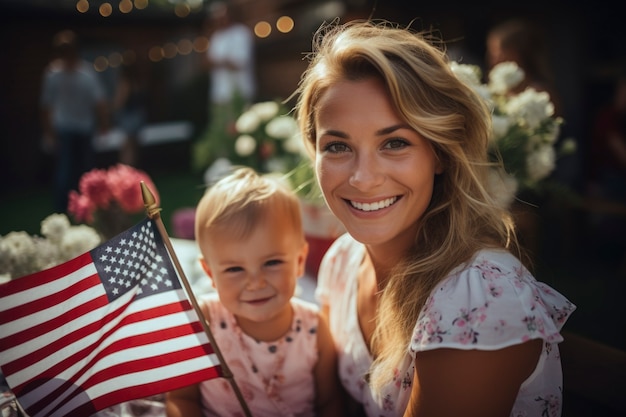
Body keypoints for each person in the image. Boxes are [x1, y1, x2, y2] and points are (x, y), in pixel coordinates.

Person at [293, 20, 576, 417]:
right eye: (338, 146)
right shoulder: (342, 261)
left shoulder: (479, 297)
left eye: (394, 143)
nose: (362, 178)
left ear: (440, 152)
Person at [165, 167, 344, 417]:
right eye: (235, 269)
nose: (255, 282)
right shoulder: (204, 322)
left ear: (299, 261)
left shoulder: (314, 329)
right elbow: (181, 399)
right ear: (210, 274)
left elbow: (329, 404)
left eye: (272, 263)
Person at [40, 29, 109, 213]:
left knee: (85, 172)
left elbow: (99, 103)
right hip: (65, 128)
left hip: (83, 128)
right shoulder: (53, 74)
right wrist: (48, 132)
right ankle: (64, 208)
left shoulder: (86, 74)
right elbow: (46, 106)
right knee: (66, 171)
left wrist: (103, 125)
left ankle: (88, 205)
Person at [192, 1, 256, 172]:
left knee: (239, 133)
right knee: (220, 133)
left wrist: (220, 61)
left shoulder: (241, 33)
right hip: (218, 94)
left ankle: (243, 167)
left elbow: (239, 63)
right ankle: (224, 169)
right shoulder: (216, 37)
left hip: (238, 93)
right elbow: (205, 63)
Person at [485, 18, 562, 115]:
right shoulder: (494, 92)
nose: (491, 59)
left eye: (495, 52)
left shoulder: (541, 95)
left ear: (513, 53)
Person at [112, 60, 148, 167]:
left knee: (127, 147)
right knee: (133, 146)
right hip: (139, 117)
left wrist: (111, 109)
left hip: (129, 118)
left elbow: (119, 102)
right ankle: (131, 169)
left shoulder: (125, 83)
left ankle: (126, 169)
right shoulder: (137, 82)